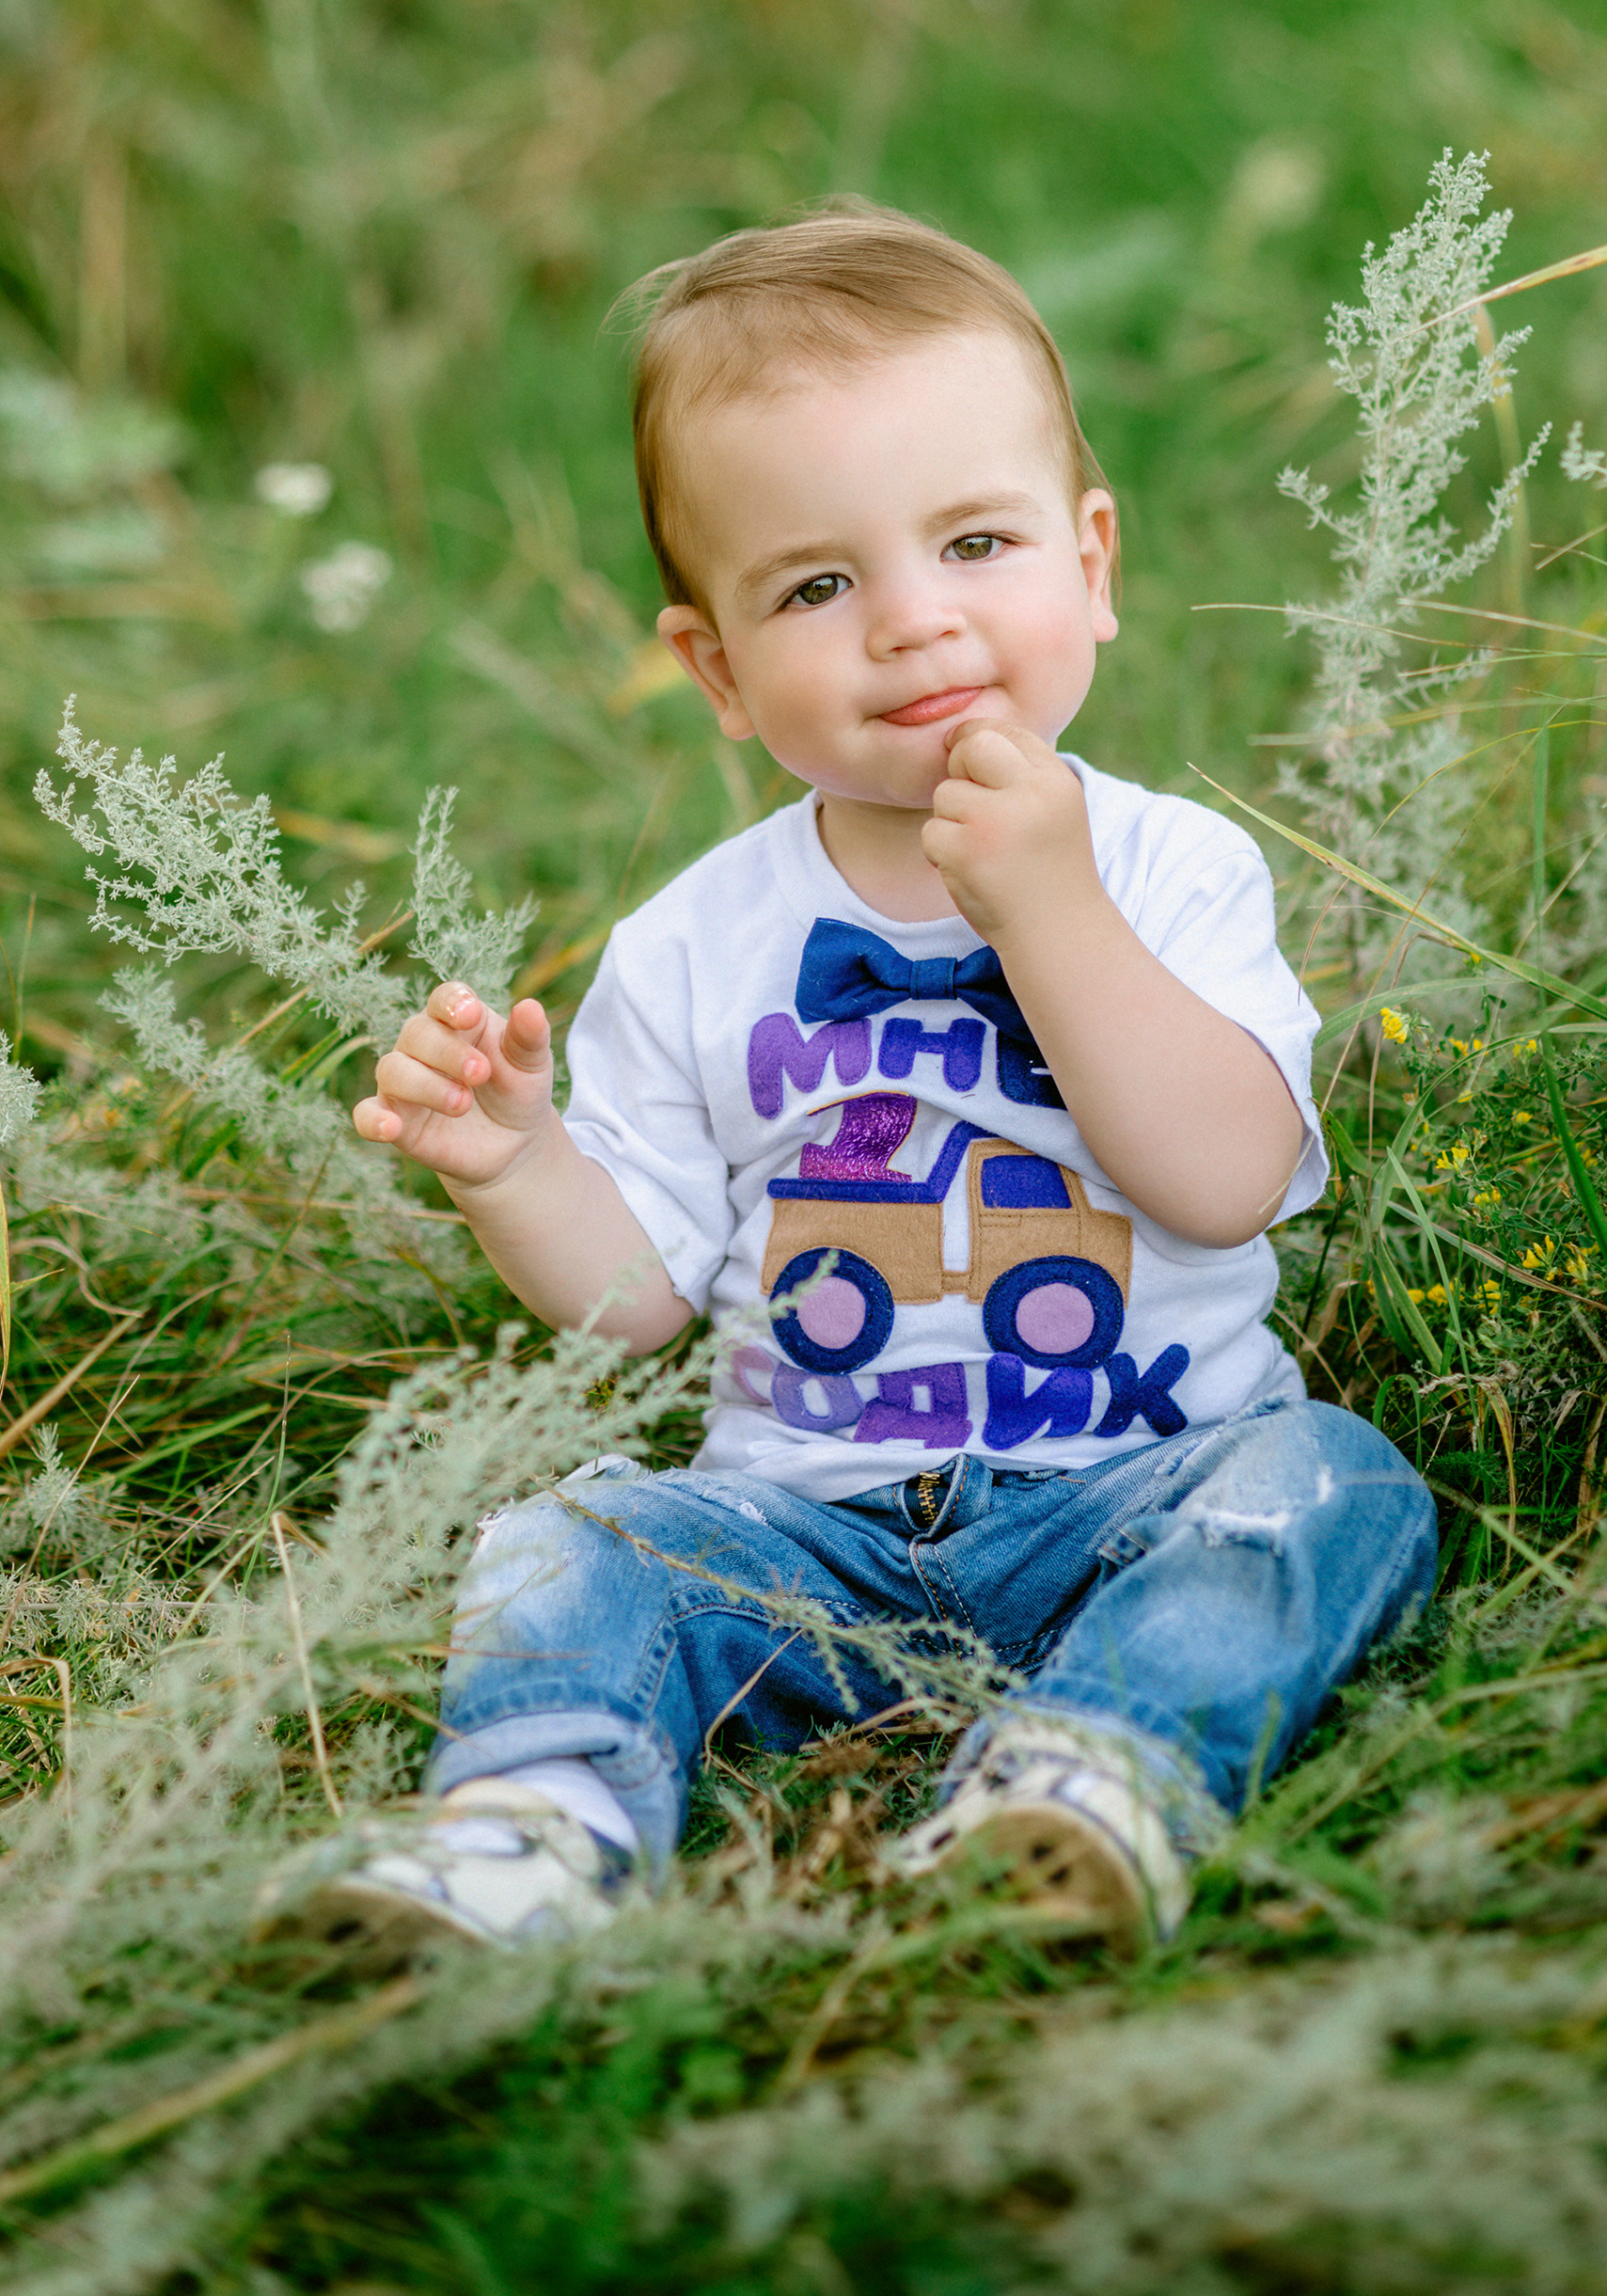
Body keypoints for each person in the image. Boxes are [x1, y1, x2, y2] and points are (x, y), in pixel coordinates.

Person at [261, 205, 1435, 1968]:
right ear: (719, 671)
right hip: (800, 1525)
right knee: (567, 1533)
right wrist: (513, 1164)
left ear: (1094, 563)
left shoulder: (1176, 869)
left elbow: (1220, 1181)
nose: (912, 622)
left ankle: (1090, 1771)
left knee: (1333, 1486)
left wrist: (1046, 903)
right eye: (818, 585)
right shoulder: (690, 944)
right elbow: (633, 1304)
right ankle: (533, 1825)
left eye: (976, 541)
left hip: (1144, 1475)